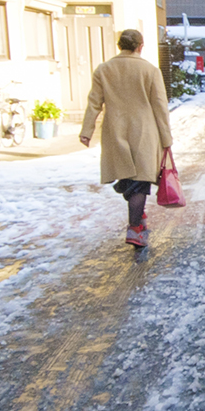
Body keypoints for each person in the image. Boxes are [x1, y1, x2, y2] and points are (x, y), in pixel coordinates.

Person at [79, 29, 173, 249]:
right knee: (140, 181)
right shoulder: (150, 70)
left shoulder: (104, 70)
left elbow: (94, 102)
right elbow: (160, 106)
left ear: (119, 45)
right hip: (144, 132)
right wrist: (166, 138)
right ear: (140, 46)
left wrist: (86, 130)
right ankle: (134, 228)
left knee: (128, 176)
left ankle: (138, 216)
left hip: (115, 131)